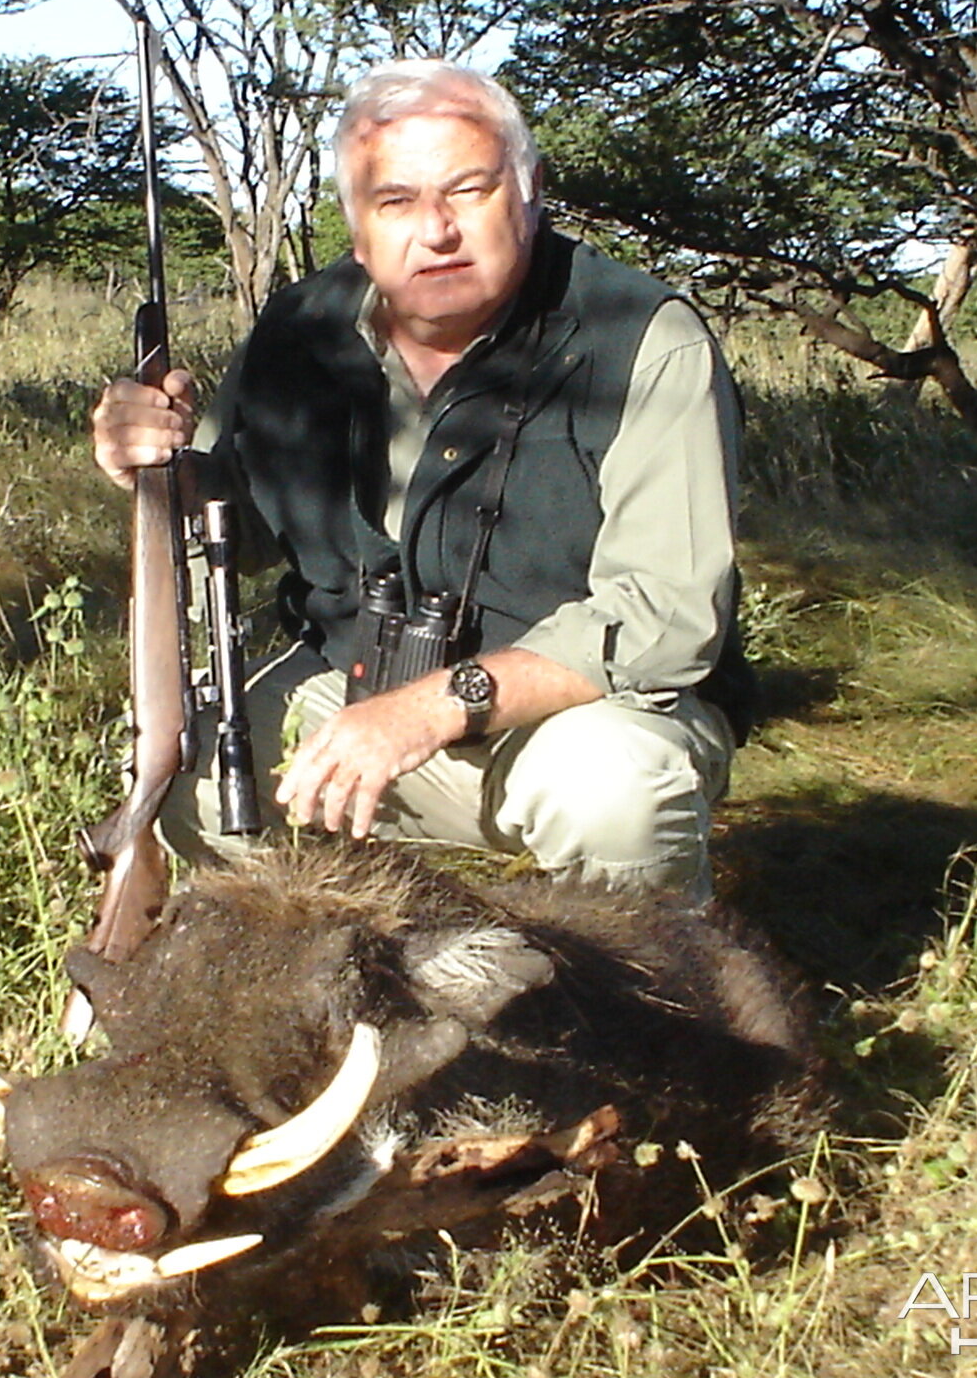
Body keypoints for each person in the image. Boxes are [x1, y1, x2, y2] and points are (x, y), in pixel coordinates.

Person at [91, 60, 750, 897]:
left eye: (468, 190)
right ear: (357, 226)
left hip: (571, 715)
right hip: (354, 690)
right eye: (396, 202)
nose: (435, 231)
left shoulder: (645, 337)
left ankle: (649, 1005)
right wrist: (158, 470)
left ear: (530, 190)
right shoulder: (300, 326)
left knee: (616, 792)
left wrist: (436, 706)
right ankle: (342, 983)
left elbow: (668, 616)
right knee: (197, 774)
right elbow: (241, 526)